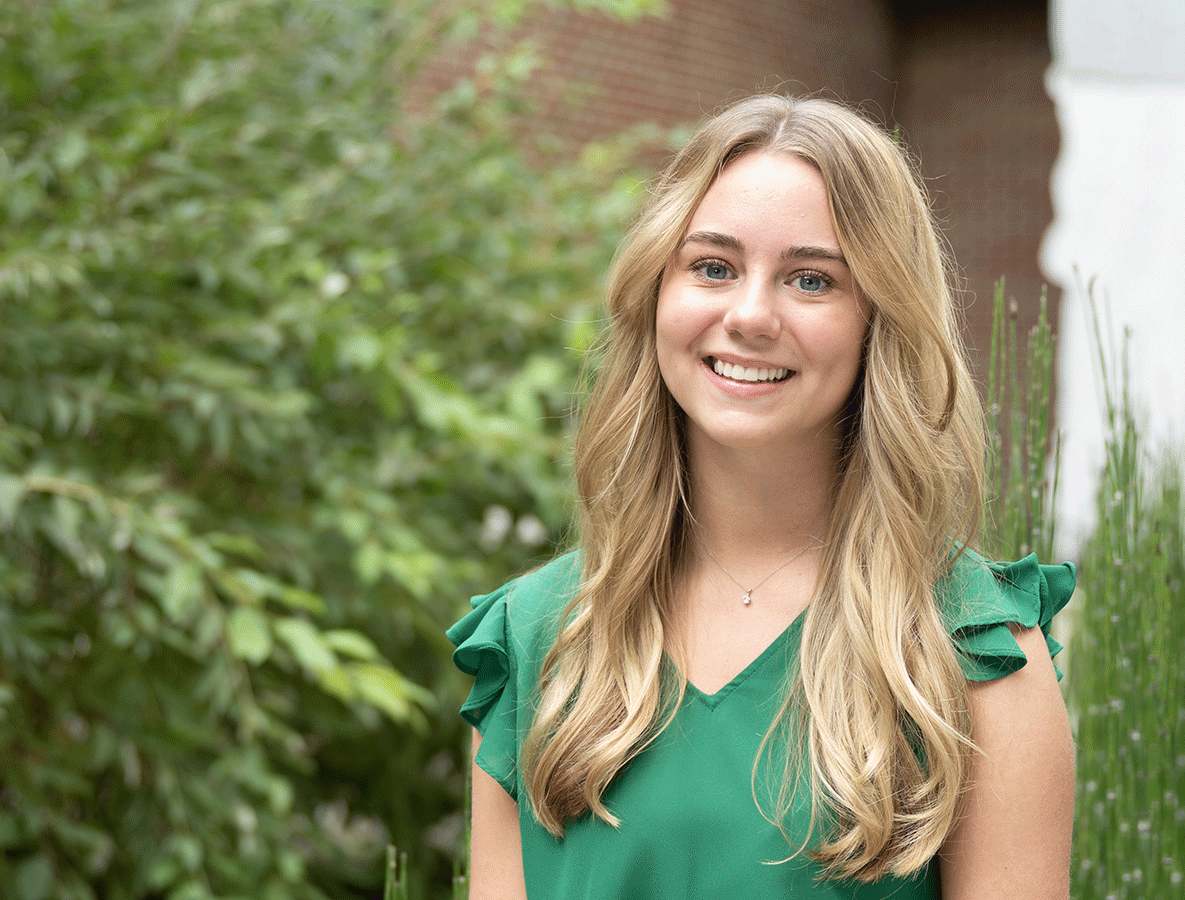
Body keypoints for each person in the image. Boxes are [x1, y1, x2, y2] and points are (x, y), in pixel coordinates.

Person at [447, 94, 1075, 899]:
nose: (748, 315)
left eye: (810, 280)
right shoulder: (536, 638)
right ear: (656, 293)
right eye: (713, 266)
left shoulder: (972, 653)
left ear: (877, 321)